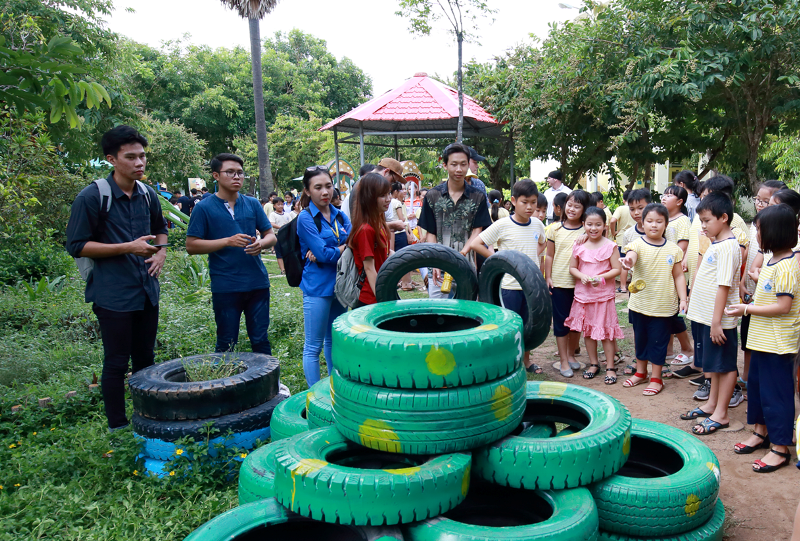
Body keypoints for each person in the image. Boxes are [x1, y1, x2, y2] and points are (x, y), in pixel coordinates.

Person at [65, 125, 168, 431]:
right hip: (114, 295)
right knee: (115, 363)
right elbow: (76, 246)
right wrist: (128, 248)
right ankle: (118, 427)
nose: (140, 163)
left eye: (143, 156)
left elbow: (161, 228)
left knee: (146, 358)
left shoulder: (148, 194)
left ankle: (148, 419)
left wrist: (160, 252)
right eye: (131, 157)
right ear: (111, 159)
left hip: (146, 290)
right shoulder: (93, 196)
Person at [727, 204, 800, 472]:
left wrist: (747, 308)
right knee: (757, 389)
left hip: (778, 343)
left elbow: (783, 306)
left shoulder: (788, 266)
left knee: (777, 395)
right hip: (760, 340)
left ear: (775, 231)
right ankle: (760, 433)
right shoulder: (772, 261)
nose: (757, 234)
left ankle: (780, 448)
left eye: (759, 229)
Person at [186, 153, 276, 356]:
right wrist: (227, 241)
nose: (237, 177)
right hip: (226, 286)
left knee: (260, 340)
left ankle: (269, 386)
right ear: (216, 176)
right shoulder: (204, 208)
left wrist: (261, 244)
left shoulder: (252, 204)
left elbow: (271, 235)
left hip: (257, 283)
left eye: (240, 173)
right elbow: (191, 245)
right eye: (230, 172)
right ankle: (226, 387)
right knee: (227, 343)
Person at [464, 179, 547, 374]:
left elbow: (542, 244)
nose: (529, 207)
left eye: (533, 202)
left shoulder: (537, 224)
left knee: (530, 325)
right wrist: (499, 260)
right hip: (509, 286)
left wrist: (534, 258)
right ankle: (509, 362)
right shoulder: (502, 225)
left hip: (532, 288)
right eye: (524, 202)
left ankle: (526, 362)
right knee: (509, 326)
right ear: (514, 201)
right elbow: (477, 244)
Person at [680, 192, 742, 434]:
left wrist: (717, 322)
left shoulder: (728, 246)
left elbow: (724, 286)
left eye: (706, 221)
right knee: (715, 366)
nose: (703, 226)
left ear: (723, 218)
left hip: (720, 320)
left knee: (725, 366)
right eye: (701, 220)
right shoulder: (717, 243)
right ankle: (712, 404)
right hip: (709, 318)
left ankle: (722, 414)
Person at [619, 203, 687, 396]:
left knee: (659, 343)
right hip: (640, 305)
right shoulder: (636, 244)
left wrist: (683, 298)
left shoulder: (674, 250)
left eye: (659, 221)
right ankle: (640, 373)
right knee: (641, 340)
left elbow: (678, 276)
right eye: (649, 221)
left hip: (664, 307)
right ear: (643, 222)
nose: (654, 225)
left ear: (666, 224)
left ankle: (656, 378)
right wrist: (628, 261)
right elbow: (631, 256)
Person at [297, 165, 351, 386]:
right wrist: (341, 248)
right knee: (313, 346)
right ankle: (314, 394)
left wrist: (328, 252)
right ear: (308, 191)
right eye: (318, 187)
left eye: (328, 186)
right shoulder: (305, 217)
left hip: (339, 285)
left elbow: (352, 242)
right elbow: (323, 253)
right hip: (317, 287)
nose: (325, 192)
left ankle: (333, 386)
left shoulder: (339, 215)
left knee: (333, 340)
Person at [419, 143, 491, 298]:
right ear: (445, 165)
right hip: (438, 268)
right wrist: (435, 261)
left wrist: (463, 253)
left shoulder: (478, 196)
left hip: (466, 266)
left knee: (466, 317)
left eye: (463, 164)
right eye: (454, 164)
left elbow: (477, 231)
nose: (459, 169)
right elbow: (431, 232)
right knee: (438, 315)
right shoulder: (432, 196)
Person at [738, 180, 787, 393]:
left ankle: (755, 381)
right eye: (758, 199)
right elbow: (753, 256)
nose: (759, 204)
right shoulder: (756, 224)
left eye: (766, 201)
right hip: (751, 290)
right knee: (748, 336)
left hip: (766, 295)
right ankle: (748, 377)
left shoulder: (781, 236)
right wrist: (742, 281)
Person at [565, 207, 623, 384]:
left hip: (604, 296)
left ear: (604, 226)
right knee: (588, 331)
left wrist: (601, 278)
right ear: (583, 225)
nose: (593, 228)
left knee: (606, 332)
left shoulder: (610, 246)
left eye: (598, 224)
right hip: (584, 295)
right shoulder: (579, 244)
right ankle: (593, 364)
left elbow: (617, 269)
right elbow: (572, 267)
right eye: (589, 224)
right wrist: (582, 276)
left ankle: (611, 367)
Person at [545, 189, 591, 377]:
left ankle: (572, 355)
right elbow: (549, 255)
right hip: (560, 283)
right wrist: (548, 277)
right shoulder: (554, 229)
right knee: (561, 323)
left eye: (577, 206)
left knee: (576, 322)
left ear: (584, 209)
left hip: (581, 284)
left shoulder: (587, 229)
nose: (572, 209)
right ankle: (563, 360)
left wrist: (588, 236)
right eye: (569, 204)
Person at [661, 185, 695, 365]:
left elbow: (682, 247)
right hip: (664, 273)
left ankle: (687, 348)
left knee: (674, 313)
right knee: (666, 312)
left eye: (669, 196)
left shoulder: (682, 221)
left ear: (680, 201)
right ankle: (668, 349)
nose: (664, 198)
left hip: (675, 273)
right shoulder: (664, 218)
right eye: (663, 195)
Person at [349, 173, 393, 307]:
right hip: (370, 299)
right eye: (382, 195)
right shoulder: (365, 230)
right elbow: (369, 269)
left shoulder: (380, 223)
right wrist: (381, 299)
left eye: (389, 193)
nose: (388, 199)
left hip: (381, 291)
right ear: (369, 198)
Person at [387, 181, 414, 290]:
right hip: (399, 232)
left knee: (393, 258)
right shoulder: (397, 203)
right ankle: (406, 283)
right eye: (401, 189)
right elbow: (402, 219)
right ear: (396, 191)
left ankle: (398, 281)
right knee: (404, 259)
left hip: (390, 233)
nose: (404, 192)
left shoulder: (388, 202)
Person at [611, 189, 634, 292]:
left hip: (622, 238)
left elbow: (612, 220)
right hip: (636, 237)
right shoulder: (638, 209)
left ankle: (623, 287)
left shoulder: (621, 209)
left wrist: (614, 232)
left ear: (624, 200)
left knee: (624, 262)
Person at [269, 197, 291, 274]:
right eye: (278, 205)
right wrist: (282, 227)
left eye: (282, 204)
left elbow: (290, 223)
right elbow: (272, 223)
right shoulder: (273, 214)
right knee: (279, 253)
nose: (280, 206)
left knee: (288, 252)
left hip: (287, 236)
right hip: (277, 235)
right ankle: (282, 269)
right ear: (274, 205)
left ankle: (288, 267)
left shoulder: (287, 214)